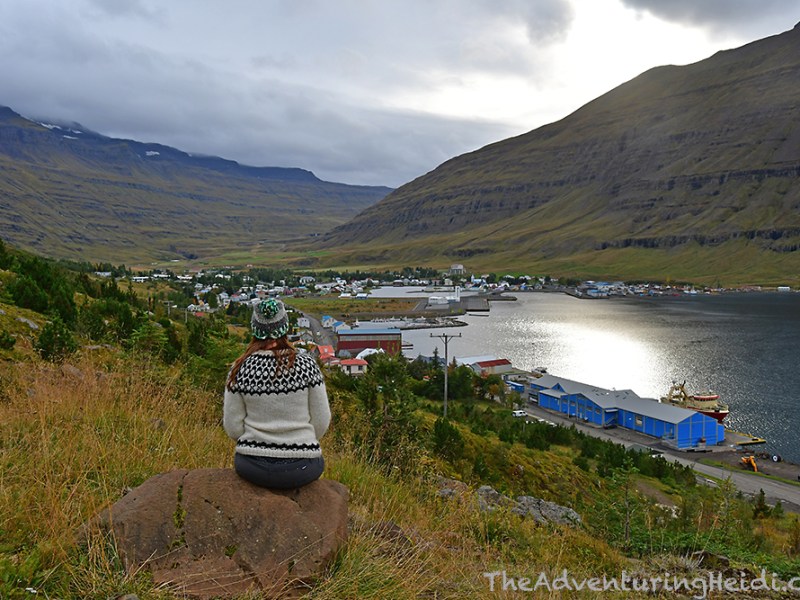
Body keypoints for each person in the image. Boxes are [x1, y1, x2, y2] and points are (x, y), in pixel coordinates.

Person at [223, 298, 330, 489]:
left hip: (252, 466)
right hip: (302, 466)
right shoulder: (306, 365)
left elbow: (233, 427)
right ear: (285, 327)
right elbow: (321, 420)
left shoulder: (239, 368)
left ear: (255, 329)